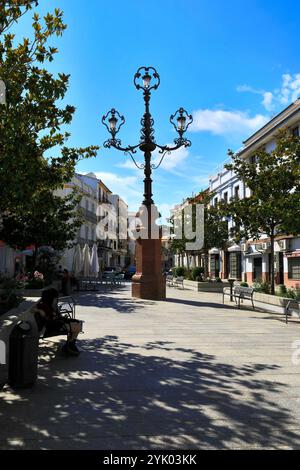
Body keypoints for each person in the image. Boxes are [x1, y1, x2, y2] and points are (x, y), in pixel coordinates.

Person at [34, 288, 82, 356]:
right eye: (56, 297)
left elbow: (54, 316)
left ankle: (69, 345)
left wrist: (59, 315)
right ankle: (70, 345)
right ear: (52, 297)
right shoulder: (45, 306)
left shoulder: (48, 304)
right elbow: (52, 318)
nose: (57, 298)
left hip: (56, 324)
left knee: (77, 323)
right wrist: (40, 311)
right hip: (53, 327)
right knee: (77, 326)